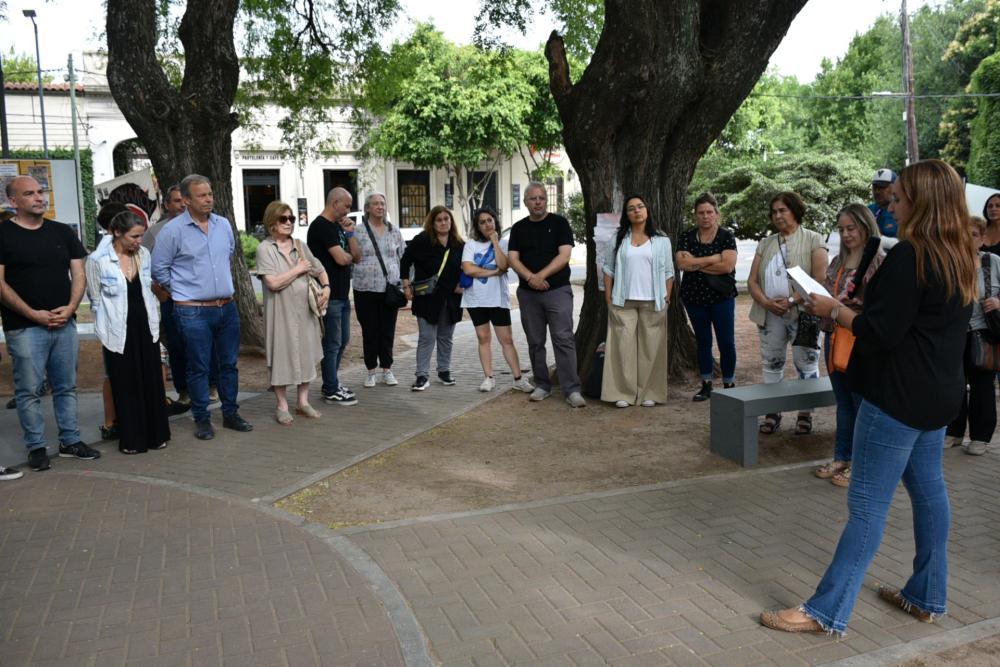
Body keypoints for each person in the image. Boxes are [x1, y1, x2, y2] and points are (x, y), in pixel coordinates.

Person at [760, 159, 977, 637]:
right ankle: (926, 596)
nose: (891, 205)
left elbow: (880, 333)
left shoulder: (912, 255)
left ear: (922, 201)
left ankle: (825, 611)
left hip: (897, 399)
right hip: (937, 397)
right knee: (929, 493)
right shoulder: (961, 252)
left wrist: (834, 309)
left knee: (866, 508)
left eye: (898, 198)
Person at [0, 175, 100, 473]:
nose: (39, 197)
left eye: (40, 191)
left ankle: (70, 442)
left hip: (63, 323)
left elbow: (79, 274)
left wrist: (71, 309)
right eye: (30, 194)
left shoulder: (62, 232)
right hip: (24, 326)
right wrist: (33, 314)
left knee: (66, 386)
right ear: (13, 201)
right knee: (29, 390)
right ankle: (36, 447)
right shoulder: (3, 234)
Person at [151, 174, 253, 440]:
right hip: (192, 310)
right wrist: (182, 293)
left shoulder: (223, 225)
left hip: (226, 308)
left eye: (210, 194)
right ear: (186, 200)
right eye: (202, 195)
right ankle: (202, 419)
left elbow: (228, 255)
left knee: (229, 364)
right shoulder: (173, 231)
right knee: (198, 367)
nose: (209, 199)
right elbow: (159, 268)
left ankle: (230, 413)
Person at [86, 211, 171, 454]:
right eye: (134, 236)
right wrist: (103, 331)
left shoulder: (143, 255)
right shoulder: (97, 260)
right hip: (117, 330)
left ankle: (157, 434)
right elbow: (95, 299)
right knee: (126, 383)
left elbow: (147, 289)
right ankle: (132, 438)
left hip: (146, 325)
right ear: (116, 233)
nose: (139, 241)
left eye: (141, 236)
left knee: (151, 379)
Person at [813, 204, 885, 487]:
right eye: (841, 229)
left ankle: (860, 463)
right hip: (834, 337)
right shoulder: (837, 263)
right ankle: (842, 456)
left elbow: (880, 307)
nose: (845, 235)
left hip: (859, 340)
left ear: (866, 226)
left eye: (851, 228)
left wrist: (847, 307)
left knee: (860, 404)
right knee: (843, 403)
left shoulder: (878, 261)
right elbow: (828, 296)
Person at [747, 191, 828, 435]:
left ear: (795, 210)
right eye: (774, 212)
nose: (778, 215)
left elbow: (820, 279)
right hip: (770, 313)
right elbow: (752, 281)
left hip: (805, 313)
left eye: (783, 210)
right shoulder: (766, 243)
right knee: (772, 362)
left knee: (807, 362)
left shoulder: (814, 239)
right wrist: (766, 302)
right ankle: (773, 410)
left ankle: (805, 413)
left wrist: (792, 300)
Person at [507, 182, 585, 408]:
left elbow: (564, 255)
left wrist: (540, 275)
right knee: (535, 341)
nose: (538, 202)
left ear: (546, 200)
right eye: (533, 198)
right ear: (525, 202)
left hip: (558, 291)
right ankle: (542, 384)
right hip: (529, 295)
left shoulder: (559, 223)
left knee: (563, 339)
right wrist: (531, 278)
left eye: (541, 197)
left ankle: (572, 389)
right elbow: (513, 258)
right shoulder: (519, 228)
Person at [256, 201, 329, 425]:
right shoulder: (265, 249)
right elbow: (273, 283)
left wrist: (326, 287)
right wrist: (297, 269)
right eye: (283, 219)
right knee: (281, 356)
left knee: (306, 354)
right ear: (272, 223)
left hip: (304, 313)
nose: (288, 223)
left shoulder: (300, 244)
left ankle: (303, 402)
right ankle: (282, 405)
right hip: (280, 313)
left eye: (291, 219)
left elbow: (319, 268)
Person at [601, 195, 674, 408]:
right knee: (622, 347)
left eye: (640, 206)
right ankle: (623, 392)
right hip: (623, 300)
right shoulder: (618, 239)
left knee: (651, 349)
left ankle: (649, 392)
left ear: (647, 210)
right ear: (627, 214)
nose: (637, 211)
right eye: (631, 208)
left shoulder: (661, 240)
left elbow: (669, 271)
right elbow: (608, 269)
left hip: (654, 301)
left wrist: (667, 295)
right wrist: (609, 298)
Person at [461, 206, 534, 393]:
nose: (486, 224)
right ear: (477, 226)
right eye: (482, 222)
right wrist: (494, 272)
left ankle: (518, 378)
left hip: (497, 299)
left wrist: (495, 242)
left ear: (495, 221)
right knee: (483, 338)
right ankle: (488, 377)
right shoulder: (470, 245)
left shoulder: (504, 243)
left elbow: (504, 265)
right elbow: (469, 269)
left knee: (506, 339)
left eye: (489, 220)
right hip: (476, 299)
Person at [944, 215, 1000, 455]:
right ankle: (954, 432)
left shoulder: (992, 261)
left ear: (983, 239)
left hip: (983, 332)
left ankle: (980, 437)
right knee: (954, 384)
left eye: (974, 235)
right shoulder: (950, 262)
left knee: (982, 385)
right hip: (955, 332)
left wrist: (998, 301)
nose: (968, 239)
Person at [675, 192, 737, 401]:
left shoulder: (726, 236)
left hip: (722, 297)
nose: (705, 216)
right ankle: (706, 384)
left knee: (726, 341)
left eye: (709, 212)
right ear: (695, 215)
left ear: (716, 214)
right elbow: (682, 264)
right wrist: (713, 258)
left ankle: (729, 382)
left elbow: (727, 265)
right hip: (694, 298)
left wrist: (696, 263)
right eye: (701, 212)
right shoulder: (687, 237)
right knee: (703, 342)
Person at [401, 206, 465, 391]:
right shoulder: (422, 240)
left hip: (450, 299)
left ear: (451, 222)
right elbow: (405, 261)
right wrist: (406, 285)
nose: (443, 222)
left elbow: (467, 267)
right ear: (432, 222)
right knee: (427, 337)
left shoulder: (459, 244)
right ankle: (422, 375)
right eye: (439, 219)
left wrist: (463, 284)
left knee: (446, 337)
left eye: (447, 219)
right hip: (427, 298)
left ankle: (444, 371)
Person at [307, 187, 360, 406]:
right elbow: (340, 259)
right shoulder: (321, 226)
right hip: (328, 293)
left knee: (342, 340)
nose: (348, 211)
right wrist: (346, 255)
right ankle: (330, 387)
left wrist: (350, 235)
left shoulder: (339, 227)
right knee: (332, 342)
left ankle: (332, 382)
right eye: (346, 205)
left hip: (341, 293)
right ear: (334, 202)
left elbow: (356, 256)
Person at [353, 193, 405, 388]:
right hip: (364, 288)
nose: (380, 207)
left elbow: (403, 258)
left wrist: (406, 284)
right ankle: (370, 371)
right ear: (367, 208)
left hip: (389, 288)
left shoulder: (394, 231)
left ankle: (387, 369)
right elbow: (353, 257)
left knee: (387, 330)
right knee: (370, 330)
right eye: (375, 204)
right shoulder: (358, 231)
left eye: (383, 203)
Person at [869, 168, 898, 238]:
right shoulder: (868, 211)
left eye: (882, 187)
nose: (877, 192)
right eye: (874, 187)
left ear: (895, 187)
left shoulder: (904, 211)